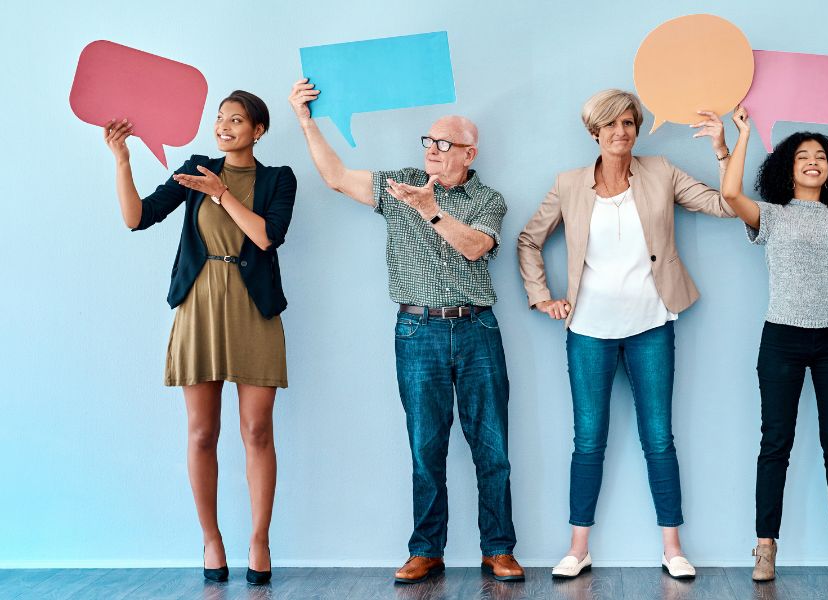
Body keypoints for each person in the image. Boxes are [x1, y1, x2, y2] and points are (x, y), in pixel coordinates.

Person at [287, 79, 522, 584]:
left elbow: (476, 247)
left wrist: (428, 208)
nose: (433, 151)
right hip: (417, 330)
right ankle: (425, 549)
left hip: (477, 327)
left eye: (444, 144)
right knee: (425, 446)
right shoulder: (399, 184)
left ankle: (498, 549)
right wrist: (306, 120)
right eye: (428, 142)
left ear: (468, 153)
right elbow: (335, 177)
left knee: (493, 446)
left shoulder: (488, 199)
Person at [517, 89, 735, 580]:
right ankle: (577, 549)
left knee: (659, 438)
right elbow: (529, 239)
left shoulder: (661, 172)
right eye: (611, 125)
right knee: (588, 440)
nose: (621, 132)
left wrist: (722, 148)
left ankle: (673, 548)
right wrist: (541, 296)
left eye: (629, 124)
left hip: (651, 325)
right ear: (594, 132)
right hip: (588, 330)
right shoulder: (569, 184)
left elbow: (725, 205)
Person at [103, 90, 295, 585]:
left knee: (256, 431)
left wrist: (221, 193)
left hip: (254, 307)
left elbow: (265, 237)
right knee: (202, 432)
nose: (225, 126)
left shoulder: (279, 179)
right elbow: (136, 217)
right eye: (220, 118)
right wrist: (122, 159)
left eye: (237, 119)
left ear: (259, 131)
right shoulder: (194, 167)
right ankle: (211, 539)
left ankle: (259, 539)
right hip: (199, 304)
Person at [702, 106, 828, 582]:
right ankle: (764, 548)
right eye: (803, 156)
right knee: (775, 443)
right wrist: (739, 136)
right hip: (781, 337)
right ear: (788, 167)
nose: (813, 162)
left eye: (821, 156)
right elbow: (731, 192)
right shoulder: (773, 217)